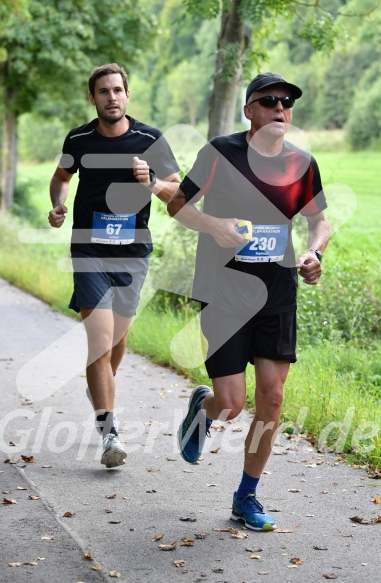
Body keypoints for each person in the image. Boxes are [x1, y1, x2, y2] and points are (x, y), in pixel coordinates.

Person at [167, 72, 330, 530]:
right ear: (249, 111)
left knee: (272, 398)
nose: (280, 108)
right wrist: (213, 225)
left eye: (287, 102)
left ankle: (246, 496)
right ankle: (204, 410)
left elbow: (321, 220)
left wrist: (315, 252)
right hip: (223, 291)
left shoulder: (302, 162)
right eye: (269, 101)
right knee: (232, 402)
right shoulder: (220, 152)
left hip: (276, 292)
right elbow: (178, 204)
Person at [48, 63, 180, 468]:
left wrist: (152, 183)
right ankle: (109, 432)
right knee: (99, 339)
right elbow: (61, 176)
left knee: (118, 339)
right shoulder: (80, 138)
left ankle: (101, 387)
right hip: (89, 249)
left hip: (133, 252)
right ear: (93, 98)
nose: (111, 97)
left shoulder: (150, 140)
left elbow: (178, 194)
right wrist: (57, 204)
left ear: (127, 95)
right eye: (103, 91)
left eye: (117, 90)